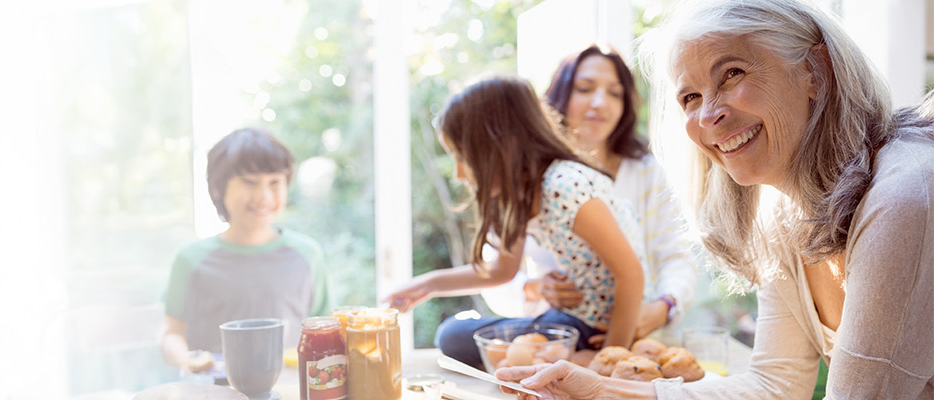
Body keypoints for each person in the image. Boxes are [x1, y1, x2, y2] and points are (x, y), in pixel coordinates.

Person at [494, 0, 934, 398]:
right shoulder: (784, 212)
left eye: (732, 74)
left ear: (814, 71)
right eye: (690, 97)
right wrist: (601, 391)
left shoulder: (901, 197)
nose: (709, 115)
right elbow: (773, 383)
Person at [381, 75, 647, 369]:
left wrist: (610, 358)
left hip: (599, 328)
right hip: (571, 322)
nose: (458, 174)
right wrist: (426, 284)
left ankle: (578, 360)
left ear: (501, 145)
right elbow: (500, 272)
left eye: (462, 157)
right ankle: (563, 359)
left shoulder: (564, 187)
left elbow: (631, 274)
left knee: (457, 336)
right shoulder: (520, 196)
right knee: (454, 336)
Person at [478, 44, 701, 348]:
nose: (600, 103)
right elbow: (497, 273)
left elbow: (676, 257)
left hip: (638, 337)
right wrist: (536, 288)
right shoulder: (534, 177)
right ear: (559, 97)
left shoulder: (648, 172)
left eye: (615, 93)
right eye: (584, 88)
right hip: (561, 330)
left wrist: (661, 308)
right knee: (458, 335)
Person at [160, 127, 330, 373]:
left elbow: (326, 331)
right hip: (214, 392)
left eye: (274, 182)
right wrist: (186, 360)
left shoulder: (308, 254)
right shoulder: (191, 260)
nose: (263, 196)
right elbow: (172, 334)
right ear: (218, 188)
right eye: (249, 183)